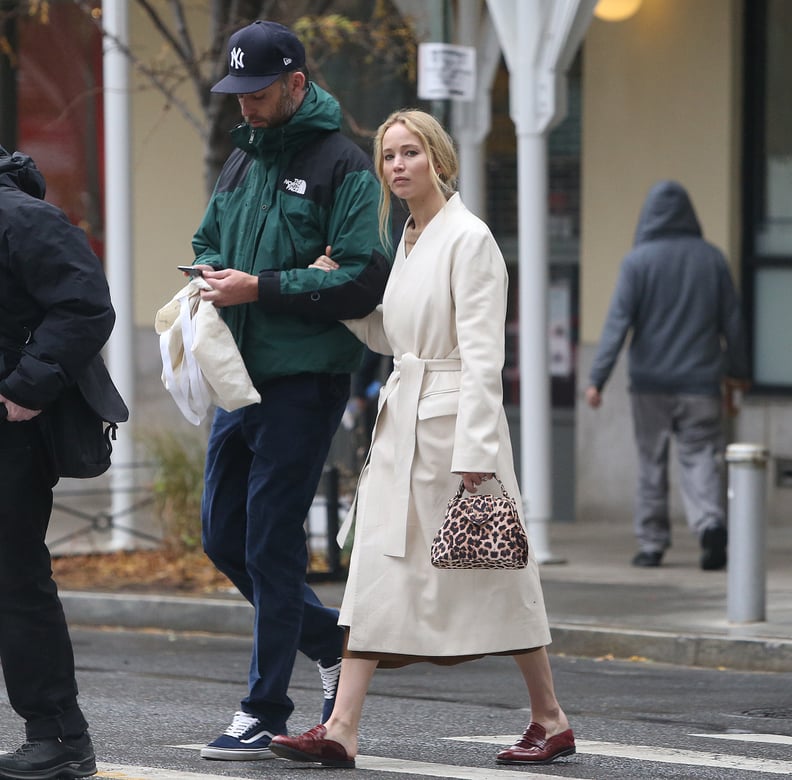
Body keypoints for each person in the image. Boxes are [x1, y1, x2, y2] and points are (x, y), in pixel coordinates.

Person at [269, 109, 574, 769]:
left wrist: (477, 453)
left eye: (410, 152)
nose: (398, 165)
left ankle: (549, 718)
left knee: (497, 576)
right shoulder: (407, 238)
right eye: (388, 156)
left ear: (438, 157)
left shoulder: (470, 239)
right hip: (401, 425)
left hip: (450, 435)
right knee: (375, 572)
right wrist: (331, 293)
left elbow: (484, 356)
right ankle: (342, 726)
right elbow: (393, 338)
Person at [188, 20, 389, 761]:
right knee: (222, 535)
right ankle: (332, 640)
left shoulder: (344, 164)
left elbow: (364, 276)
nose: (245, 105)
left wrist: (261, 287)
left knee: (271, 541)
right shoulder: (241, 161)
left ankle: (264, 708)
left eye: (258, 91)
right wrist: (213, 273)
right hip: (236, 376)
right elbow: (207, 239)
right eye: (237, 92)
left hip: (305, 380)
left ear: (296, 84)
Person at [0, 148, 115, 779]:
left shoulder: (22, 218)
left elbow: (86, 306)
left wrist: (24, 388)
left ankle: (60, 737)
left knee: (15, 581)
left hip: (12, 433)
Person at [585, 179, 749, 571]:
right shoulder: (712, 259)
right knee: (702, 458)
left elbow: (616, 324)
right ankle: (710, 525)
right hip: (701, 384)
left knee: (651, 461)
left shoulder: (637, 261)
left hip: (650, 384)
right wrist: (738, 373)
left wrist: (597, 378)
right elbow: (734, 323)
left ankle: (652, 545)